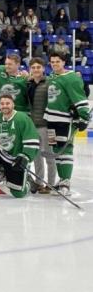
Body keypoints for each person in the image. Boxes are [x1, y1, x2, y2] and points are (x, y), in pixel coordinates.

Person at [43, 52, 90, 195]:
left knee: (66, 149)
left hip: (65, 120)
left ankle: (66, 181)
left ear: (64, 62)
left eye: (58, 61)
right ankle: (61, 180)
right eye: (52, 62)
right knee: (56, 150)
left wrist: (83, 117)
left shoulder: (71, 78)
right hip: (50, 120)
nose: (55, 64)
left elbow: (80, 98)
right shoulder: (51, 77)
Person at [26, 58, 57, 193]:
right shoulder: (28, 83)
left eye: (39, 67)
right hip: (32, 126)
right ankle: (39, 182)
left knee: (49, 156)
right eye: (33, 67)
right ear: (30, 69)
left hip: (48, 127)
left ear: (44, 68)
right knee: (36, 156)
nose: (36, 70)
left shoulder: (50, 83)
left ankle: (49, 185)